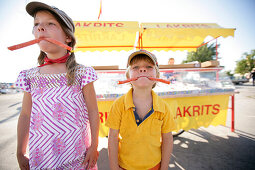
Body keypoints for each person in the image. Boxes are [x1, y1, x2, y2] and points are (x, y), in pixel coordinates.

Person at [15, 2, 99, 169]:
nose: (40, 28)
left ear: (68, 37)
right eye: (36, 24)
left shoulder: (82, 73)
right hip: (42, 158)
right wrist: (20, 152)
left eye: (50, 23)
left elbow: (93, 111)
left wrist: (94, 146)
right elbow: (25, 115)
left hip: (78, 157)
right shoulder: (29, 76)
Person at [106, 50, 176, 170]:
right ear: (128, 76)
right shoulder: (118, 105)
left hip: (154, 165)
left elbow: (168, 139)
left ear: (157, 76)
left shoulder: (164, 107)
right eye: (136, 67)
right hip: (124, 166)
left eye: (149, 67)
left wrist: (164, 167)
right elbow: (112, 137)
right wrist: (113, 167)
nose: (142, 70)